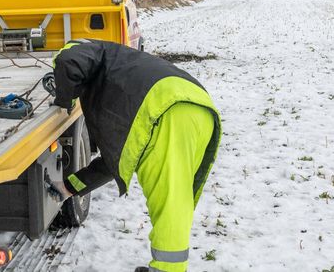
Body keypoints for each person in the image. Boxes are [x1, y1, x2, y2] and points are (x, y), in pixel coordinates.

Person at [48, 39, 221, 272]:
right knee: (178, 196)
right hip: (199, 108)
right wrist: (69, 188)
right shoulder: (119, 67)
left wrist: (64, 101)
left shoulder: (85, 51)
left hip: (165, 111)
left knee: (169, 200)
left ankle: (167, 269)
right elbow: (114, 163)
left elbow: (68, 60)